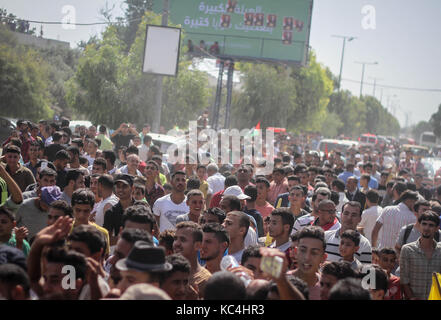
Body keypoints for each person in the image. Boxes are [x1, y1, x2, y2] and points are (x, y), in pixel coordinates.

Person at [400, 211, 441, 300]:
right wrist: (411, 297)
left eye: (431, 225)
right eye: (424, 224)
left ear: (437, 228)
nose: (426, 228)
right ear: (419, 225)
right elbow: (404, 279)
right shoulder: (407, 250)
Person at [173, 221, 211, 299]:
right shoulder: (166, 273)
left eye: (183, 240)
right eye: (175, 239)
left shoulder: (206, 281)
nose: (176, 243)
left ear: (198, 245)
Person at [287, 226, 327, 300]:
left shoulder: (327, 290)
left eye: (314, 253)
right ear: (296, 252)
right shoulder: (281, 283)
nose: (307, 257)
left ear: (323, 258)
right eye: (303, 250)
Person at [70, 189, 110, 256]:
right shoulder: (63, 231)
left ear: (92, 209)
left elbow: (104, 260)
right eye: (78, 210)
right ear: (72, 208)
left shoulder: (102, 233)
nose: (81, 215)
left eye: (86, 211)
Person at [104, 174, 136, 245]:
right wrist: (121, 238)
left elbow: (153, 232)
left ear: (132, 188)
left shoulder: (142, 208)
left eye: (124, 186)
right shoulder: (111, 212)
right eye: (118, 187)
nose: (121, 190)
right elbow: (106, 240)